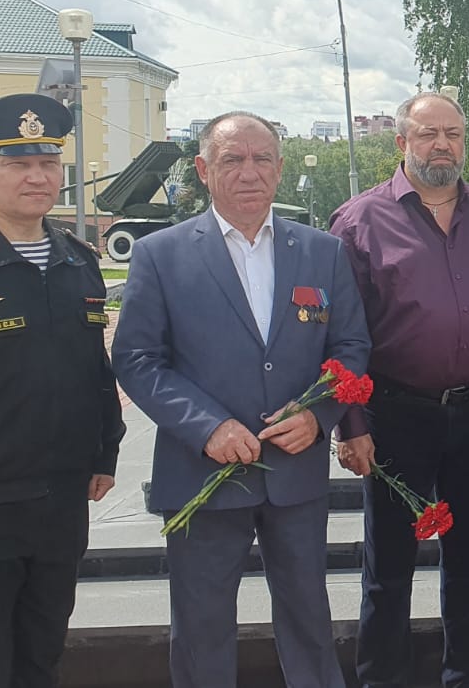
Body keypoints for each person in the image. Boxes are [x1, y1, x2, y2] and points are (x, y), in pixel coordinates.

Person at [113, 111, 371, 688]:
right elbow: (136, 359)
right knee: (201, 628)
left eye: (262, 159)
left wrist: (318, 415)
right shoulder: (161, 254)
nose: (249, 172)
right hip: (202, 472)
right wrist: (207, 427)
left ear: (279, 168)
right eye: (232, 159)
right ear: (204, 170)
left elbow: (351, 345)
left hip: (295, 475)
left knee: (309, 618)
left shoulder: (323, 252)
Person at [329, 92, 469, 688]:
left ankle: (468, 677)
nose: (442, 145)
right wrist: (351, 425)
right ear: (401, 141)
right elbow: (342, 333)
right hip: (396, 414)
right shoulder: (359, 221)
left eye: (453, 134)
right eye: (428, 134)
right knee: (390, 567)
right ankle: (384, 678)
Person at [0, 93, 124, 687]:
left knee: (42, 655)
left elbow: (93, 368)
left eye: (48, 163)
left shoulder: (77, 260)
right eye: (17, 164)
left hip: (61, 502)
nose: (38, 177)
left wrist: (105, 450)